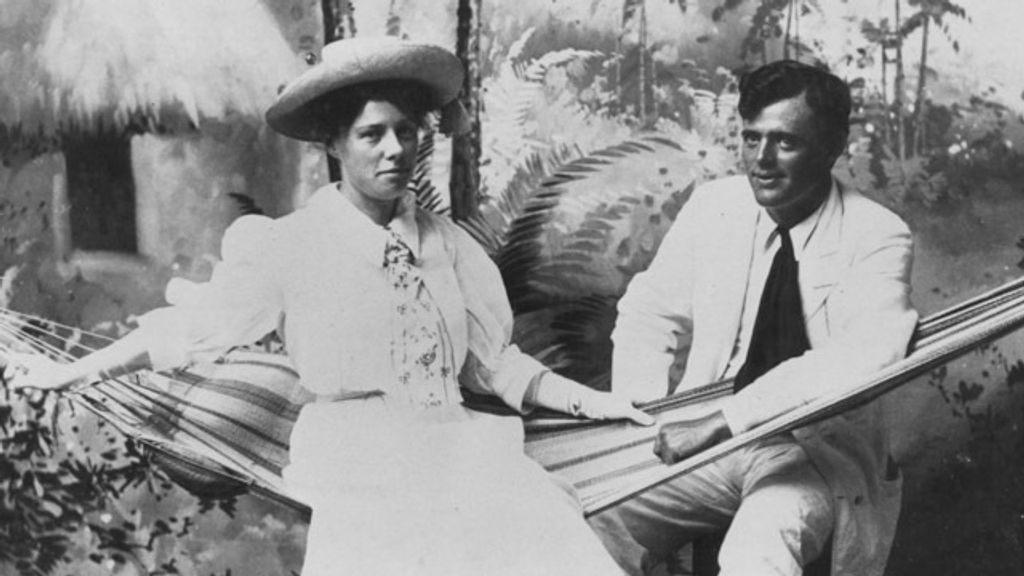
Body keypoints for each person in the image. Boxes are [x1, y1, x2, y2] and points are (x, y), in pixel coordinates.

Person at [4, 37, 654, 575]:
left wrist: (595, 403)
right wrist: (71, 372)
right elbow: (190, 330)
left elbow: (496, 365)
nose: (394, 149)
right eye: (372, 134)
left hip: (459, 448)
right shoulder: (291, 246)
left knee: (547, 538)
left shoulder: (450, 246)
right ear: (334, 145)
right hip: (359, 460)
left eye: (405, 131)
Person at [587, 60, 918, 576]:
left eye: (785, 142)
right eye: (751, 138)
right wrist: (645, 416)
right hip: (705, 442)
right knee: (582, 515)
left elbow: (859, 358)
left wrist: (722, 422)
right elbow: (648, 313)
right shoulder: (715, 206)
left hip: (809, 454)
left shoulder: (877, 234)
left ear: (833, 147)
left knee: (759, 549)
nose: (761, 160)